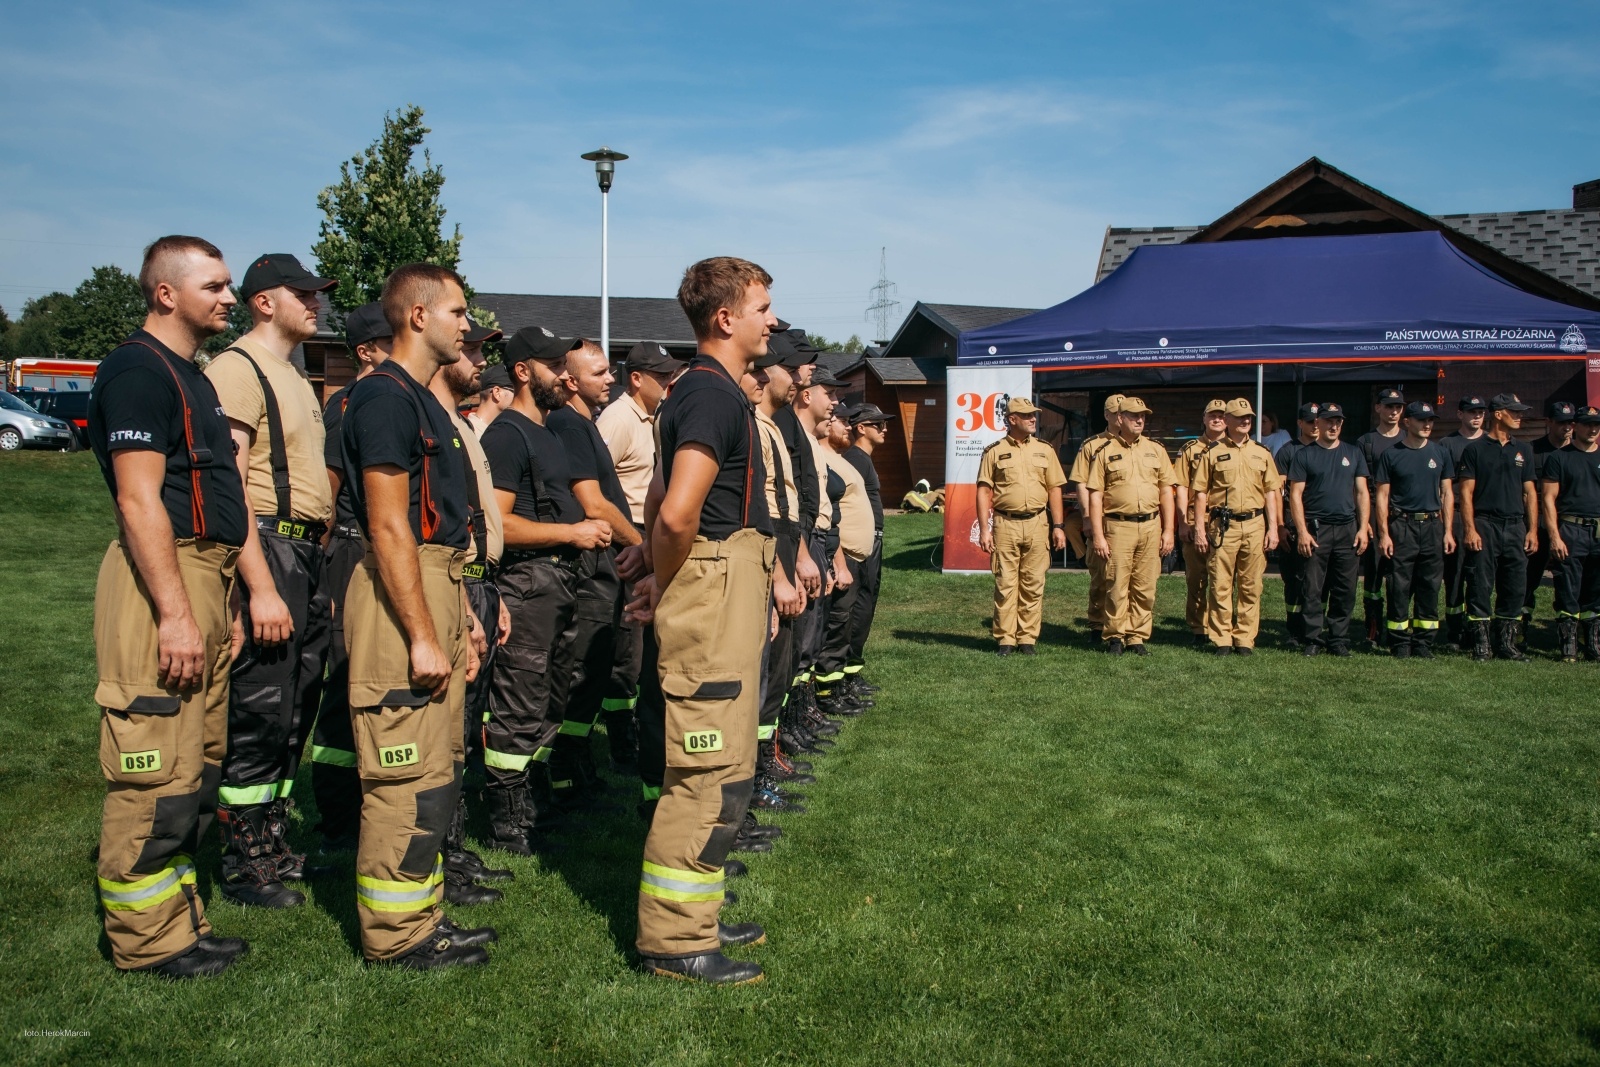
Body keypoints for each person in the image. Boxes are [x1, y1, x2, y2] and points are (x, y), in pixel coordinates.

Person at [89, 235, 252, 977]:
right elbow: (137, 497)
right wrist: (177, 613)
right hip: (165, 579)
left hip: (204, 576)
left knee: (195, 763)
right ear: (165, 293)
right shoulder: (136, 369)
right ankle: (145, 943)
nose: (228, 297)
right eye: (214, 285)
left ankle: (180, 920)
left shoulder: (194, 377)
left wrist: (227, 600)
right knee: (152, 767)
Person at [628, 256, 776, 985]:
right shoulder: (714, 394)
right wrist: (665, 577)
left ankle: (700, 913)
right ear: (725, 318)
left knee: (728, 763)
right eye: (761, 307)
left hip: (724, 585)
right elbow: (679, 510)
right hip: (712, 589)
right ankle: (674, 940)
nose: (771, 319)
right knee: (706, 766)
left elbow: (660, 495)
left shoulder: (703, 390)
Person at [338, 262, 491, 969]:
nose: (467, 324)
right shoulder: (384, 399)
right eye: (458, 311)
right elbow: (389, 525)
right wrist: (423, 636)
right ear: (417, 316)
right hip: (402, 598)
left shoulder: (426, 401)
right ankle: (394, 938)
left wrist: (461, 616)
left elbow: (442, 531)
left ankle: (422, 919)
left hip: (437, 585)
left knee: (436, 771)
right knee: (403, 776)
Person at [204, 253, 338, 908]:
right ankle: (241, 855)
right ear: (264, 301)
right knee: (260, 705)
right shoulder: (237, 369)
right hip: (272, 549)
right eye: (303, 292)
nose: (316, 302)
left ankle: (272, 834)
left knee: (294, 704)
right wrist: (256, 585)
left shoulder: (291, 375)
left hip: (307, 554)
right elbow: (229, 482)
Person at [479, 328, 609, 853]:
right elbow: (499, 524)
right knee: (518, 702)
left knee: (548, 700)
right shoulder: (507, 434)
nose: (564, 374)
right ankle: (507, 822)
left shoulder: (548, 432)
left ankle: (534, 802)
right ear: (522, 371)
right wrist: (571, 533)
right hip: (525, 584)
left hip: (558, 583)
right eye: (554, 364)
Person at [428, 320, 514, 903]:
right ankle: (437, 854)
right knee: (444, 728)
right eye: (471, 348)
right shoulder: (427, 417)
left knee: (464, 730)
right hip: (447, 588)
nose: (479, 359)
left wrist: (490, 590)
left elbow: (476, 522)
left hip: (477, 584)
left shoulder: (459, 424)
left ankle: (453, 846)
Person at [310, 301, 391, 851]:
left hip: (374, 552)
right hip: (345, 550)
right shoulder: (347, 404)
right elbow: (330, 491)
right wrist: (325, 578)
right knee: (343, 680)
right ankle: (338, 812)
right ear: (364, 351)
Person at [548, 339, 643, 809]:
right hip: (591, 570)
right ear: (570, 381)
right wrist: (641, 546)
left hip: (608, 565)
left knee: (598, 666)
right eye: (600, 372)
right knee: (581, 671)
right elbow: (594, 502)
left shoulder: (585, 424)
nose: (611, 378)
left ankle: (578, 760)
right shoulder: (568, 423)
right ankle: (564, 771)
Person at [596, 341, 684, 774]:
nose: (670, 382)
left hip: (643, 538)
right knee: (628, 647)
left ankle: (629, 730)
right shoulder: (618, 419)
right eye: (662, 375)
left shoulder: (651, 417)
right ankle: (620, 738)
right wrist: (636, 543)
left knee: (644, 645)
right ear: (636, 378)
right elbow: (595, 486)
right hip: (626, 541)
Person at [751, 343, 810, 811]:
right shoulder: (752, 426)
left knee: (780, 664)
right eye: (787, 369)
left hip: (785, 546)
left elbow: (787, 508)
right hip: (766, 553)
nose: (796, 378)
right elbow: (757, 516)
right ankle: (752, 779)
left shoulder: (772, 426)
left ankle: (763, 764)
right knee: (763, 670)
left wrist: (798, 558)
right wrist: (776, 580)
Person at [1082, 396, 1175, 655]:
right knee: (1116, 583)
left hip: (1150, 525)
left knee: (1145, 585)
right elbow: (1095, 495)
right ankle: (1115, 636)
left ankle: (1137, 636)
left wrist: (1168, 531)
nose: (1140, 420)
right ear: (1120, 418)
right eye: (1134, 416)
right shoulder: (1104, 452)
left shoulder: (1156, 450)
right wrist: (1098, 535)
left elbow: (1167, 491)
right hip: (1118, 526)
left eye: (1143, 416)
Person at [977, 397, 1068, 655]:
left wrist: (1058, 526)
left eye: (1033, 415)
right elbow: (984, 492)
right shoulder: (993, 451)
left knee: (1033, 583)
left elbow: (1055, 489)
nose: (1033, 419)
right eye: (1026, 415)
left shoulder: (1045, 449)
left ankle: (1027, 639)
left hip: (1038, 523)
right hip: (1006, 524)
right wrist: (985, 529)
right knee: (1006, 584)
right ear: (1012, 419)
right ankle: (1005, 639)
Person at [1191, 398, 1282, 655]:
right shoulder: (1212, 453)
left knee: (1251, 584)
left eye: (1249, 418)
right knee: (1220, 583)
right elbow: (1199, 493)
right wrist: (1199, 529)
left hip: (1254, 524)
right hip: (1223, 526)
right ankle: (1221, 638)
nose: (1245, 421)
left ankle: (1244, 638)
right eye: (1240, 417)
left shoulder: (1262, 453)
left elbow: (1272, 492)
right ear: (1227, 421)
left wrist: (1273, 528)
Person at [1457, 393, 1539, 661]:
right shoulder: (1475, 450)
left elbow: (1529, 493)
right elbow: (1466, 494)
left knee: (1515, 586)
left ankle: (1506, 644)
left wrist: (1532, 530)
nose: (1519, 416)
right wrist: (1470, 529)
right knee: (1480, 584)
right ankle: (1481, 644)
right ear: (1499, 414)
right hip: (1486, 525)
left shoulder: (1523, 450)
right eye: (1514, 412)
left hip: (1515, 526)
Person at [1288, 402, 1370, 657]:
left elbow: (1362, 492)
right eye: (1328, 421)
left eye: (1337, 421)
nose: (1333, 426)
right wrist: (1302, 531)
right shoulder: (1304, 454)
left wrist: (1363, 527)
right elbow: (1295, 495)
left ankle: (1338, 639)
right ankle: (1313, 637)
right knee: (1312, 588)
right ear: (1317, 424)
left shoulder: (1354, 453)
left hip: (1347, 529)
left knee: (1345, 588)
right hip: (1317, 530)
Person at [1375, 401, 1455, 659]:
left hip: (1432, 525)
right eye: (1421, 420)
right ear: (1407, 422)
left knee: (1430, 586)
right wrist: (1385, 533)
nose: (1427, 425)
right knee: (1399, 586)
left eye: (1430, 420)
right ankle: (1399, 642)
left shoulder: (1440, 453)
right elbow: (1382, 496)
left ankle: (1423, 643)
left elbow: (1447, 493)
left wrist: (1448, 531)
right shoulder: (1391, 454)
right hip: (1402, 526)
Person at [1541, 405, 1600, 662]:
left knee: (1596, 593)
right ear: (1575, 426)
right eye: (1587, 424)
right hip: (1571, 530)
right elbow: (1548, 499)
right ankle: (1568, 646)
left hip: (1599, 530)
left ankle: (1594, 645)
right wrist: (1554, 536)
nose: (1593, 429)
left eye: (1597, 425)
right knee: (1568, 589)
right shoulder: (1559, 458)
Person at [842, 403, 892, 693]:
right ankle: (846, 671)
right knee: (859, 604)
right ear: (861, 428)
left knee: (867, 602)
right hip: (862, 542)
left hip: (873, 538)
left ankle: (852, 669)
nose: (885, 429)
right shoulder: (855, 459)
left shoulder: (863, 459)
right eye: (878, 424)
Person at [1068, 396, 1125, 642]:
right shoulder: (1093, 445)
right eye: (1117, 413)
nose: (1122, 417)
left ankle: (1124, 628)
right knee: (1101, 577)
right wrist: (1088, 517)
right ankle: (1096, 624)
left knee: (1125, 579)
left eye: (1125, 413)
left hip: (1126, 522)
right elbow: (1081, 482)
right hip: (1101, 520)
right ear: (1107, 416)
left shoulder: (1141, 445)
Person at [1521, 400, 1576, 647]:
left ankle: (1570, 634)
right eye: (1562, 422)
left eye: (1571, 423)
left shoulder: (1579, 452)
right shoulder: (1533, 451)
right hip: (1538, 526)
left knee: (1570, 582)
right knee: (1528, 580)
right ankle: (1520, 627)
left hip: (1570, 527)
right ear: (1549, 422)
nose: (1567, 427)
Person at [1175, 400, 1227, 646]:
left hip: (1226, 524)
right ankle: (1198, 628)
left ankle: (1223, 629)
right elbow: (1181, 486)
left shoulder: (1237, 448)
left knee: (1224, 580)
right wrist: (1183, 523)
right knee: (1196, 578)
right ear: (1204, 419)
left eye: (1221, 415)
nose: (1217, 419)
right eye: (1212, 416)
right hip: (1197, 519)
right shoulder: (1190, 449)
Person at [1357, 388, 1406, 645]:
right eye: (1389, 406)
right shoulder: (1366, 442)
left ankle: (1398, 626)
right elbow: (1361, 486)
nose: (1394, 411)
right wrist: (1365, 522)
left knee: (1401, 574)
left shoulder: (1409, 439)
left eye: (1398, 407)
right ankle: (1372, 628)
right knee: (1374, 575)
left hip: (1405, 515)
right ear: (1378, 408)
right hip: (1376, 512)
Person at [1439, 396, 1487, 648]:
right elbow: (1441, 485)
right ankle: (1454, 630)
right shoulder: (1447, 444)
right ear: (1460, 414)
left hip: (1483, 516)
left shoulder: (1490, 443)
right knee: (1455, 574)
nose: (1476, 416)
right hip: (1456, 514)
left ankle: (1477, 628)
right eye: (1471, 411)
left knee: (1480, 576)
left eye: (1480, 412)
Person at [1275, 403, 1319, 647]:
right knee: (1293, 580)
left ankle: (1314, 629)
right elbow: (1278, 491)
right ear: (1300, 424)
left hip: (1320, 523)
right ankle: (1293, 630)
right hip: (1292, 525)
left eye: (1317, 421)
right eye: (1309, 421)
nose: (1314, 426)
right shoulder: (1287, 451)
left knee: (1317, 582)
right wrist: (1281, 525)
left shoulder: (1328, 450)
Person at [467, 363, 514, 435]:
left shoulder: (498, 431)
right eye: (516, 391)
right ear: (497, 393)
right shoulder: (471, 433)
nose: (520, 397)